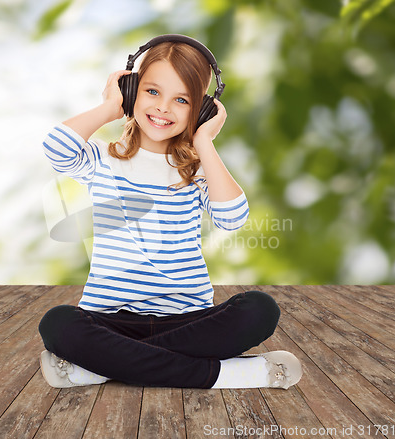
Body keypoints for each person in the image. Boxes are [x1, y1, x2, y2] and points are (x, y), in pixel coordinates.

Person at [38, 35, 302, 390]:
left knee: (259, 309)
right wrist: (110, 107)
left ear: (202, 111)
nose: (163, 108)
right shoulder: (102, 158)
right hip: (109, 319)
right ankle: (230, 375)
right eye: (151, 92)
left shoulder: (197, 172)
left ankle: (97, 369)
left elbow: (233, 217)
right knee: (58, 323)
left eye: (182, 100)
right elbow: (56, 148)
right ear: (132, 91)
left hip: (187, 319)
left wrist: (204, 142)